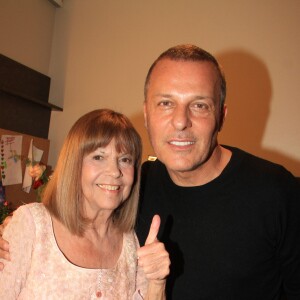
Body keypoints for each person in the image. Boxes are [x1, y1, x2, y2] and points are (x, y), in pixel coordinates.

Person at [1, 44, 300, 299]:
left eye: (199, 105)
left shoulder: (277, 193)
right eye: (166, 103)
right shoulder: (135, 186)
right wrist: (21, 227)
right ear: (147, 113)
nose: (181, 121)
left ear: (221, 115)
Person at [0, 109, 170, 299]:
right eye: (98, 157)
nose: (114, 171)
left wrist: (157, 283)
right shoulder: (32, 225)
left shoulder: (131, 243)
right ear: (74, 164)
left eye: (125, 159)